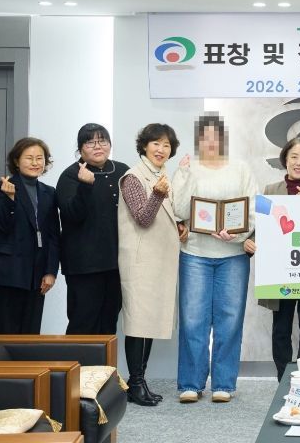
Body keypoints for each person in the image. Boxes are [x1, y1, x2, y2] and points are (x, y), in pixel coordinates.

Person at [172, 115, 257, 403]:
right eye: (205, 136)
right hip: (194, 253)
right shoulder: (188, 168)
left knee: (230, 319)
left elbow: (252, 208)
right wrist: (184, 174)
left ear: (224, 138)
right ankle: (190, 382)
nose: (210, 141)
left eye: (216, 136)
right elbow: (179, 210)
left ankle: (224, 383)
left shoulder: (241, 168)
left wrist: (236, 234)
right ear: (199, 140)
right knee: (192, 318)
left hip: (233, 254)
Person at [243, 137, 300, 381]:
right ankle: (283, 377)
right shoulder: (271, 190)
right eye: (294, 156)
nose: (299, 162)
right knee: (281, 328)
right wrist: (250, 241)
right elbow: (262, 226)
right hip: (279, 270)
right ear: (285, 160)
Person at [118, 123, 184, 406]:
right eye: (156, 143)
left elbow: (168, 215)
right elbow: (143, 218)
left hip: (159, 261)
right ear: (144, 146)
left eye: (166, 145)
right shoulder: (133, 177)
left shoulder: (162, 175)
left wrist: (181, 226)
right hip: (140, 262)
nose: (161, 149)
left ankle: (140, 381)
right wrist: (157, 194)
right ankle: (135, 383)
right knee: (138, 324)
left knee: (151, 322)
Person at [56, 123, 129, 335]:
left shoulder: (123, 171)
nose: (98, 146)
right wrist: (85, 186)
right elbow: (72, 214)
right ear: (80, 149)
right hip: (84, 265)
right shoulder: (71, 175)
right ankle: (78, 359)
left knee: (109, 323)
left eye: (102, 140)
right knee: (83, 322)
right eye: (90, 142)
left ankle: (105, 360)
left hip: (116, 263)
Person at [0, 137, 60, 334]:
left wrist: (51, 271)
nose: (35, 163)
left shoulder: (49, 192)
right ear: (17, 161)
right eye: (29, 158)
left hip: (37, 274)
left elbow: (53, 235)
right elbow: (2, 226)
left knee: (31, 335)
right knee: (7, 334)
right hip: (8, 272)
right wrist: (10, 199)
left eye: (39, 158)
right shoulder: (2, 186)